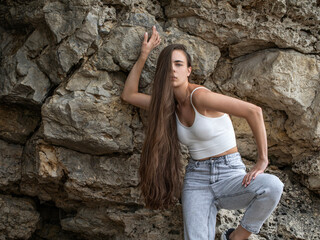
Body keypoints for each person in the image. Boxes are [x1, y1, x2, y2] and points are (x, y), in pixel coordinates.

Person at [121, 25, 284, 240]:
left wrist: (262, 160)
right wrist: (144, 55)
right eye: (167, 66)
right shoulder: (167, 106)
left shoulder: (200, 97)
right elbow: (129, 95)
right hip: (197, 180)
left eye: (179, 64)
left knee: (272, 186)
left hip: (230, 174)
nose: (173, 70)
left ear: (188, 70)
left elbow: (253, 111)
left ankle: (237, 237)